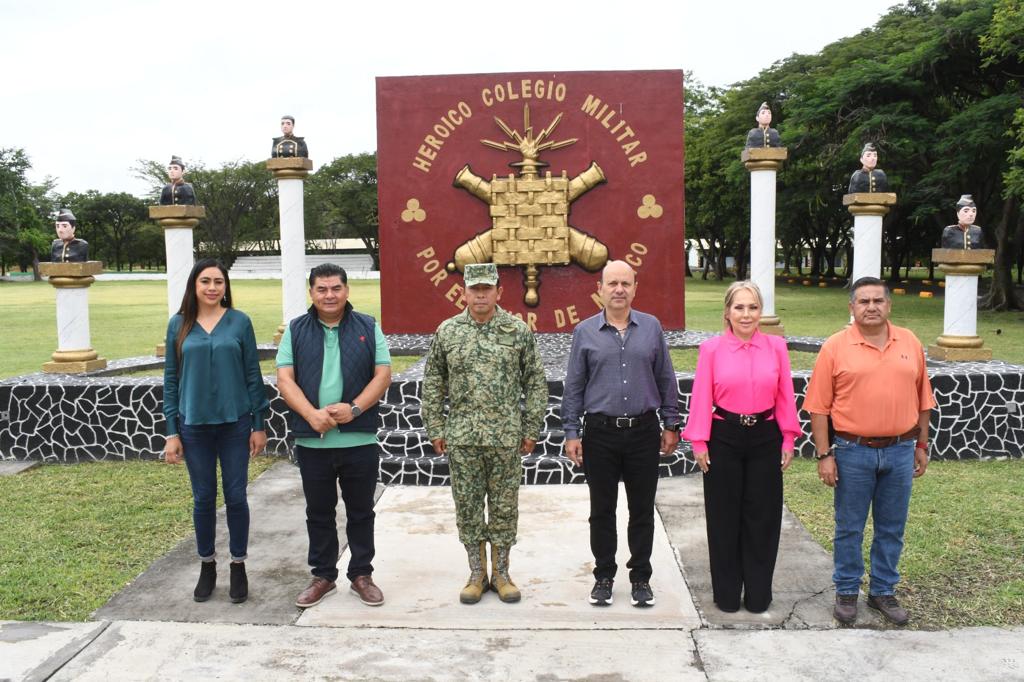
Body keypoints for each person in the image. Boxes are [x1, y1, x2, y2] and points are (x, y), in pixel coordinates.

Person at [803, 276, 936, 626]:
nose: (872, 307)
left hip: (900, 449)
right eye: (864, 301)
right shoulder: (835, 346)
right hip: (852, 451)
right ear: (852, 308)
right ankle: (847, 590)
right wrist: (824, 454)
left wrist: (921, 444)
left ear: (889, 305)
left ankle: (883, 590)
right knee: (849, 526)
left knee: (891, 527)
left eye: (878, 300)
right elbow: (819, 407)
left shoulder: (909, 342)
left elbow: (924, 400)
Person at [421, 262, 547, 605]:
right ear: (464, 292)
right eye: (474, 289)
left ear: (498, 292)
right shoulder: (447, 332)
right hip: (462, 437)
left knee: (505, 508)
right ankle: (476, 573)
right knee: (468, 507)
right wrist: (435, 426)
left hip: (505, 437)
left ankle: (502, 573)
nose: (480, 295)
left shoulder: (517, 331)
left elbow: (535, 381)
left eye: (486, 288)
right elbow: (434, 381)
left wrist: (531, 427)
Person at [562, 260, 680, 608]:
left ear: (635, 288)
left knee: (642, 510)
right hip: (600, 434)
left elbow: (665, 378)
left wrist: (671, 423)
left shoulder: (652, 328)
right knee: (602, 511)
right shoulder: (584, 332)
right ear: (600, 289)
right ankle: (603, 576)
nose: (618, 290)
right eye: (612, 283)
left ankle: (641, 578)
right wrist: (572, 431)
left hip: (644, 431)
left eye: (625, 284)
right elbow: (574, 386)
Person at [276, 263, 391, 609]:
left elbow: (383, 374)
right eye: (322, 289)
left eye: (336, 288)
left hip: (359, 440)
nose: (330, 295)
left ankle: (361, 574)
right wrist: (311, 415)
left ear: (347, 290)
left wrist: (354, 409)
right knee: (319, 511)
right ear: (311, 292)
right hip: (314, 442)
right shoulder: (296, 330)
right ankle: (323, 576)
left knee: (361, 511)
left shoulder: (368, 327)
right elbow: (285, 379)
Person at [681, 281, 801, 613]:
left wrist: (788, 437)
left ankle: (759, 593)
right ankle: (727, 594)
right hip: (724, 437)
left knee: (762, 518)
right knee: (724, 518)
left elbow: (784, 396)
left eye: (752, 307)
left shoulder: (776, 347)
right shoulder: (711, 349)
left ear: (760, 311)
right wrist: (699, 441)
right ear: (727, 312)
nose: (746, 314)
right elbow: (702, 395)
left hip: (765, 436)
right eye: (739, 307)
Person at [163, 258, 269, 604]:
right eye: (205, 281)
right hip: (193, 428)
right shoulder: (179, 324)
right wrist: (171, 431)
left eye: (218, 282)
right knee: (204, 498)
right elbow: (171, 381)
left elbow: (253, 375)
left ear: (226, 286)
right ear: (194, 285)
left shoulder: (240, 323)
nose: (212, 288)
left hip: (235, 424)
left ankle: (238, 564)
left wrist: (258, 424)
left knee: (236, 496)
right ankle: (207, 564)